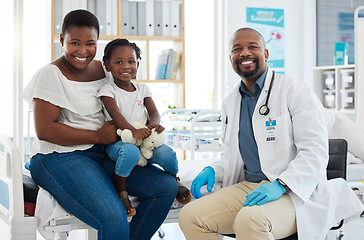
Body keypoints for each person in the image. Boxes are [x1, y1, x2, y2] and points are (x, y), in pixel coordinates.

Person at [178, 27, 364, 240]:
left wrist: (281, 184)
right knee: (190, 216)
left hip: (294, 192)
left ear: (265, 54)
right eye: (237, 49)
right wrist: (213, 169)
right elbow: (235, 154)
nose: (245, 53)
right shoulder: (231, 102)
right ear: (230, 58)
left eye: (253, 47)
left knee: (251, 220)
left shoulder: (296, 91)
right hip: (249, 187)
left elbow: (315, 153)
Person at [23, 9, 178, 240]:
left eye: (90, 43)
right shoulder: (50, 74)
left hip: (102, 152)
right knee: (113, 219)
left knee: (165, 188)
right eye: (74, 43)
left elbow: (123, 100)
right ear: (62, 40)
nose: (82, 51)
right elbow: (45, 130)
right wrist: (97, 136)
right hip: (59, 156)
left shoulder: (103, 70)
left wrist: (143, 126)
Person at [98, 38, 191, 216]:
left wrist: (154, 124)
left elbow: (154, 112)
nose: (126, 66)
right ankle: (122, 191)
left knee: (166, 153)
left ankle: (174, 178)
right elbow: (117, 116)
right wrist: (133, 131)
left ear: (138, 65)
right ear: (107, 66)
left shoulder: (142, 89)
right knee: (130, 153)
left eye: (131, 61)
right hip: (118, 142)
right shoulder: (108, 91)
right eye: (119, 62)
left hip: (143, 140)